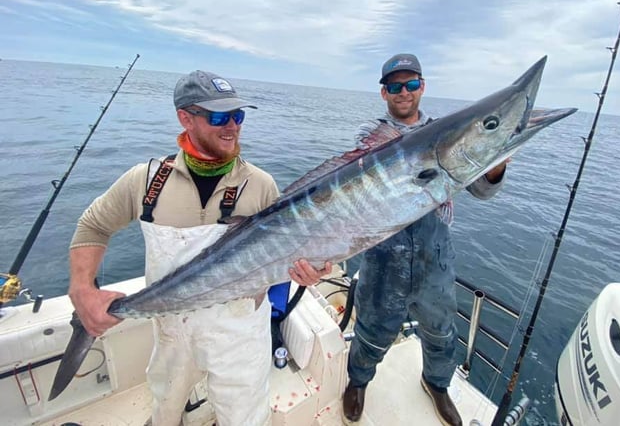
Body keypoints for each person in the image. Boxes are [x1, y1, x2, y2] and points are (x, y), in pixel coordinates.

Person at [68, 70, 331, 426]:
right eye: (220, 117)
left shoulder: (261, 186)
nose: (233, 127)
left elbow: (288, 251)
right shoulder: (145, 182)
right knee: (165, 409)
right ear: (185, 118)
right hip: (171, 329)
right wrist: (82, 289)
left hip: (240, 333)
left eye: (238, 116)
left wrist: (312, 269)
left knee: (246, 418)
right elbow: (94, 226)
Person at [342, 54, 507, 426]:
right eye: (396, 86)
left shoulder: (451, 134)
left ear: (423, 86)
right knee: (372, 329)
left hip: (435, 257)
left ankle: (437, 385)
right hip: (383, 258)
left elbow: (482, 190)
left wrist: (494, 161)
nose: (404, 92)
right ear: (384, 92)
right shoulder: (372, 135)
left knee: (441, 331)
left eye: (412, 84)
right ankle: (358, 381)